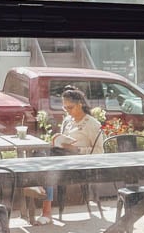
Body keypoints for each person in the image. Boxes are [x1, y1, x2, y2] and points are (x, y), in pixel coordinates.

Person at [35, 86, 103, 225]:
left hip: (81, 165)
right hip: (64, 158)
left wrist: (77, 149)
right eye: (65, 108)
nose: (67, 111)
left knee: (47, 167)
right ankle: (37, 186)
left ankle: (45, 209)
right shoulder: (68, 121)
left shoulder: (92, 124)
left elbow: (99, 151)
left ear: (80, 104)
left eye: (70, 107)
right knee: (39, 153)